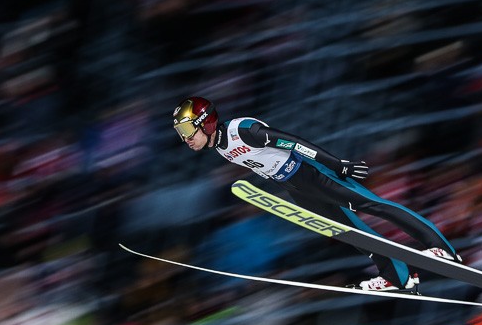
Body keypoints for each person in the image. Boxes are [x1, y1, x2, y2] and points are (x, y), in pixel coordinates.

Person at [173, 96, 460, 291]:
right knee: (347, 231)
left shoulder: (242, 130)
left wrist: (337, 165)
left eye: (187, 129)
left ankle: (441, 248)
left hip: (311, 172)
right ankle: (397, 275)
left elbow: (294, 143)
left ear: (207, 122)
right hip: (294, 185)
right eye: (181, 132)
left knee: (373, 206)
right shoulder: (220, 148)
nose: (185, 138)